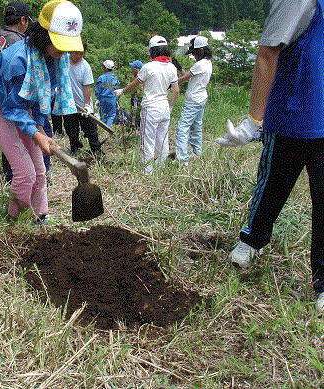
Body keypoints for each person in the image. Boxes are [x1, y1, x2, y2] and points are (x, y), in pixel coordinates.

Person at [216, 0, 323, 314]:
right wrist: (255, 120)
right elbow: (267, 52)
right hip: (290, 116)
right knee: (273, 185)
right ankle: (252, 241)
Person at [0, 0, 81, 222]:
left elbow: (41, 99)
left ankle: (40, 216)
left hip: (27, 111)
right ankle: (19, 219)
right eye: (60, 43)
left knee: (40, 170)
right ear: (44, 35)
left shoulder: (55, 59)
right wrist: (36, 134)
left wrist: (40, 130)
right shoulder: (17, 60)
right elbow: (12, 107)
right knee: (25, 173)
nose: (64, 50)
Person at [0, 1, 35, 180]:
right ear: (23, 20)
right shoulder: (19, 42)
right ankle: (16, 175)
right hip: (9, 94)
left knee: (6, 138)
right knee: (16, 136)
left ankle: (10, 173)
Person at [115, 36, 179, 173]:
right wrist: (171, 107)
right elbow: (176, 91)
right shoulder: (172, 67)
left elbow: (135, 84)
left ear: (152, 51)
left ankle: (147, 171)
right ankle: (161, 168)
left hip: (150, 107)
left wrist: (122, 91)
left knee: (147, 140)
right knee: (163, 140)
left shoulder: (148, 67)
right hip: (164, 107)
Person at [174, 36, 212, 165]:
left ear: (201, 50)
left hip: (193, 100)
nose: (194, 56)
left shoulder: (200, 64)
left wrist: (171, 82)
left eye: (194, 53)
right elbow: (189, 76)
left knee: (182, 128)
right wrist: (179, 68)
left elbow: (183, 79)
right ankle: (197, 153)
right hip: (201, 98)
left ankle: (182, 158)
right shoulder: (208, 63)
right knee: (196, 126)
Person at [63, 41, 102, 156]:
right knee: (71, 129)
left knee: (90, 130)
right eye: (75, 53)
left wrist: (87, 105)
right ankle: (74, 148)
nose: (78, 56)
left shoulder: (85, 67)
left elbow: (87, 88)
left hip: (83, 105)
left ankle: (96, 150)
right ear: (71, 51)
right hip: (69, 103)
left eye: (81, 53)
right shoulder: (64, 62)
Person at [95, 59, 119, 126]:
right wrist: (117, 99)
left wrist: (98, 99)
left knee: (103, 115)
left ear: (105, 68)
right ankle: (108, 130)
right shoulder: (115, 77)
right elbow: (117, 89)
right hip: (112, 99)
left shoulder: (101, 78)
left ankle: (103, 129)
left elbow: (97, 90)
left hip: (103, 99)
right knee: (111, 115)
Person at [129, 60, 143, 131]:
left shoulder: (140, 76)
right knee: (134, 110)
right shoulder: (135, 75)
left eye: (133, 67)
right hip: (135, 96)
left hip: (137, 96)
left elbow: (138, 87)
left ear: (137, 68)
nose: (131, 68)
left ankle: (135, 127)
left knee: (135, 110)